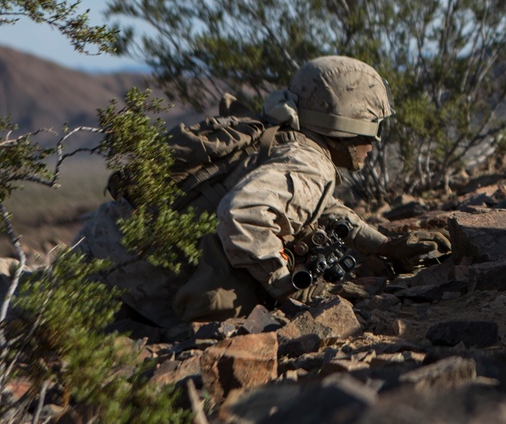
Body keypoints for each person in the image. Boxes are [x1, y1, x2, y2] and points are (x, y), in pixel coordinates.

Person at [78, 56, 450, 325]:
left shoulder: (278, 135)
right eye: (371, 127)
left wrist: (380, 244)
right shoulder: (311, 161)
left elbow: (311, 203)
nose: (374, 141)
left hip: (104, 244)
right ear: (346, 124)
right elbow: (244, 212)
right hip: (132, 285)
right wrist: (287, 286)